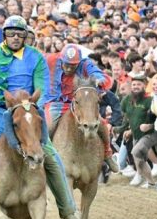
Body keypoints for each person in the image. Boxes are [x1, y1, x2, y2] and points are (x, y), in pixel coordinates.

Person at [0, 15, 84, 219]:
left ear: (26, 36)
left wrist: (32, 105)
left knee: (51, 155)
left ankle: (68, 210)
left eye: (20, 34)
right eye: (11, 33)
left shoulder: (36, 57)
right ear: (5, 35)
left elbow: (43, 88)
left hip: (28, 112)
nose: (16, 37)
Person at [45, 44, 120, 173]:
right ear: (61, 60)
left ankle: (108, 154)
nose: (69, 68)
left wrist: (99, 79)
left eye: (73, 66)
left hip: (78, 101)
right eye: (66, 65)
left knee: (101, 123)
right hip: (55, 102)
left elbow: (97, 73)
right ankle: (43, 156)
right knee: (48, 126)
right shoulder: (50, 59)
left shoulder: (85, 63)